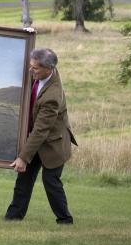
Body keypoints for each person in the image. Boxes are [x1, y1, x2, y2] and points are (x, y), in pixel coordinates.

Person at [5, 47, 77, 224]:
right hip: (35, 141)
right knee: (24, 180)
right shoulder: (41, 72)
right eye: (31, 66)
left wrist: (22, 157)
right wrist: (27, 33)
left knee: (51, 182)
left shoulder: (52, 96)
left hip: (53, 145)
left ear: (49, 68)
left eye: (35, 68)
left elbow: (41, 130)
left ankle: (65, 220)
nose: (31, 70)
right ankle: (13, 218)